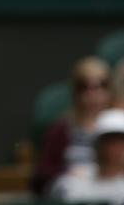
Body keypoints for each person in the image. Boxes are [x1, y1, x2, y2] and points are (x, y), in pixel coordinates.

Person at [33, 56, 112, 194]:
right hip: (74, 192)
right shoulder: (61, 128)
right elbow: (42, 173)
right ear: (75, 91)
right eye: (85, 87)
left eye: (100, 85)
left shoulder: (117, 126)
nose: (92, 93)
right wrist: (68, 172)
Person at [50, 108, 124, 204]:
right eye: (109, 141)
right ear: (98, 144)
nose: (116, 148)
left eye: (121, 141)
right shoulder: (74, 182)